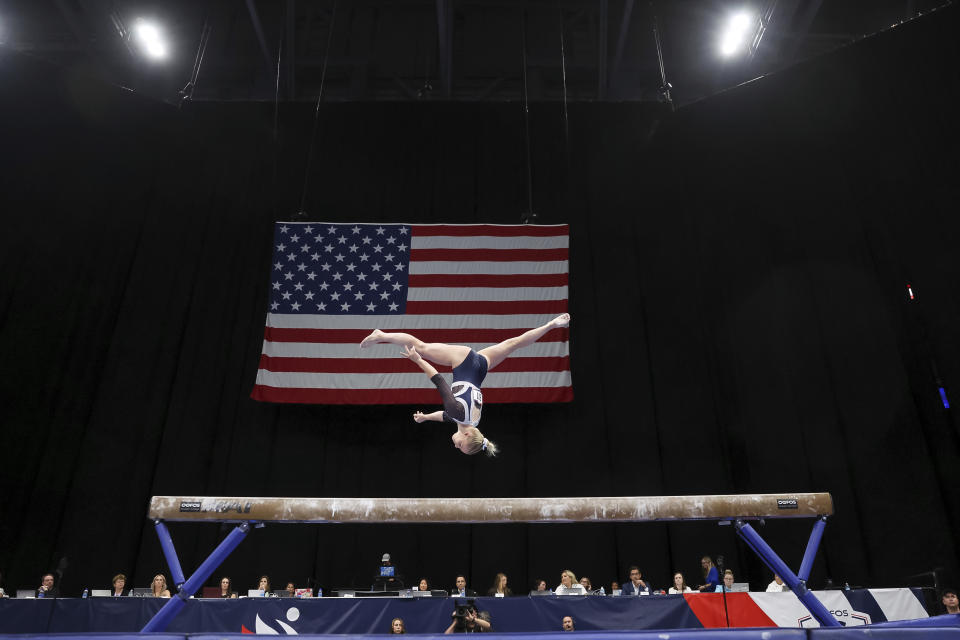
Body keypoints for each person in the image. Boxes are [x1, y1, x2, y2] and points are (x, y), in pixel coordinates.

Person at [361, 313, 571, 456]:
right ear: (468, 435)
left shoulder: (473, 422)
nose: (455, 444)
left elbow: (446, 416)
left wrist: (425, 417)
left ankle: (551, 325)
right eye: (460, 444)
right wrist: (418, 360)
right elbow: (439, 380)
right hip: (464, 362)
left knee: (512, 344)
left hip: (479, 368)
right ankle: (382, 335)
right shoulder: (457, 413)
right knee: (421, 347)